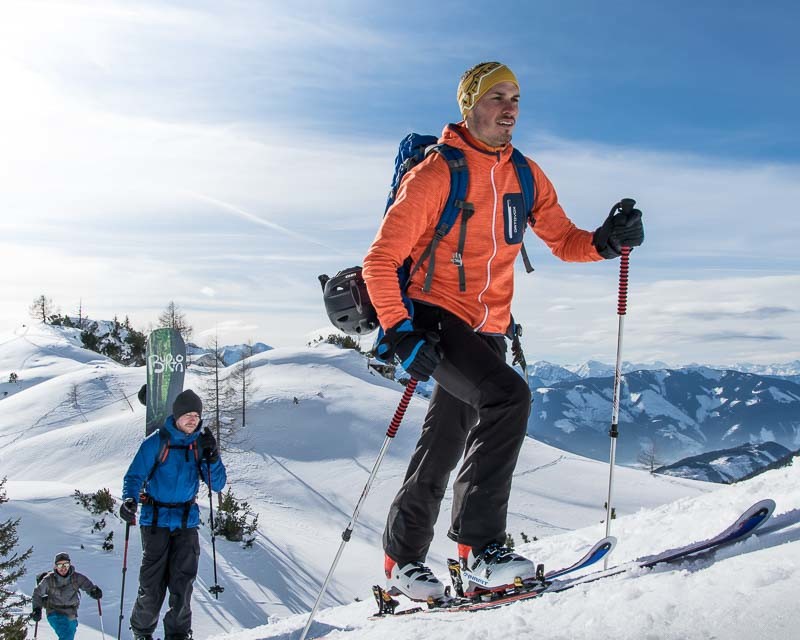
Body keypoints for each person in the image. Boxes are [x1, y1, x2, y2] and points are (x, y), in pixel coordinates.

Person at [362, 61, 644, 601]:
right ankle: (480, 547)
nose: (510, 107)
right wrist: (400, 332)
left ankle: (402, 560)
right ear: (469, 105)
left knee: (441, 445)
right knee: (508, 396)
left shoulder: (526, 174)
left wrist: (609, 240)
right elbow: (380, 260)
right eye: (496, 96)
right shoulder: (438, 172)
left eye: (515, 97)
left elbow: (564, 241)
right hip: (431, 316)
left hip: (487, 326)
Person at [120, 389, 227, 640]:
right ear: (176, 416)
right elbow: (134, 476)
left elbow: (218, 484)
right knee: (152, 585)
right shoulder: (157, 442)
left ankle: (178, 634)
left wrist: (213, 457)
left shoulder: (200, 445)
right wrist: (129, 500)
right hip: (155, 522)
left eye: (196, 415)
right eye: (187, 415)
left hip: (186, 523)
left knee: (183, 585)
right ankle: (142, 632)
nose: (192, 419)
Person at [31, 552, 102, 640]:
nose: (63, 568)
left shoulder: (76, 577)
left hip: (71, 613)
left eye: (66, 565)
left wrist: (94, 591)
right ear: (56, 566)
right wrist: (36, 609)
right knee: (67, 636)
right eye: (60, 565)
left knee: (69, 635)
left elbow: (87, 585)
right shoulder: (49, 579)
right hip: (54, 612)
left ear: (69, 565)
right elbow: (37, 593)